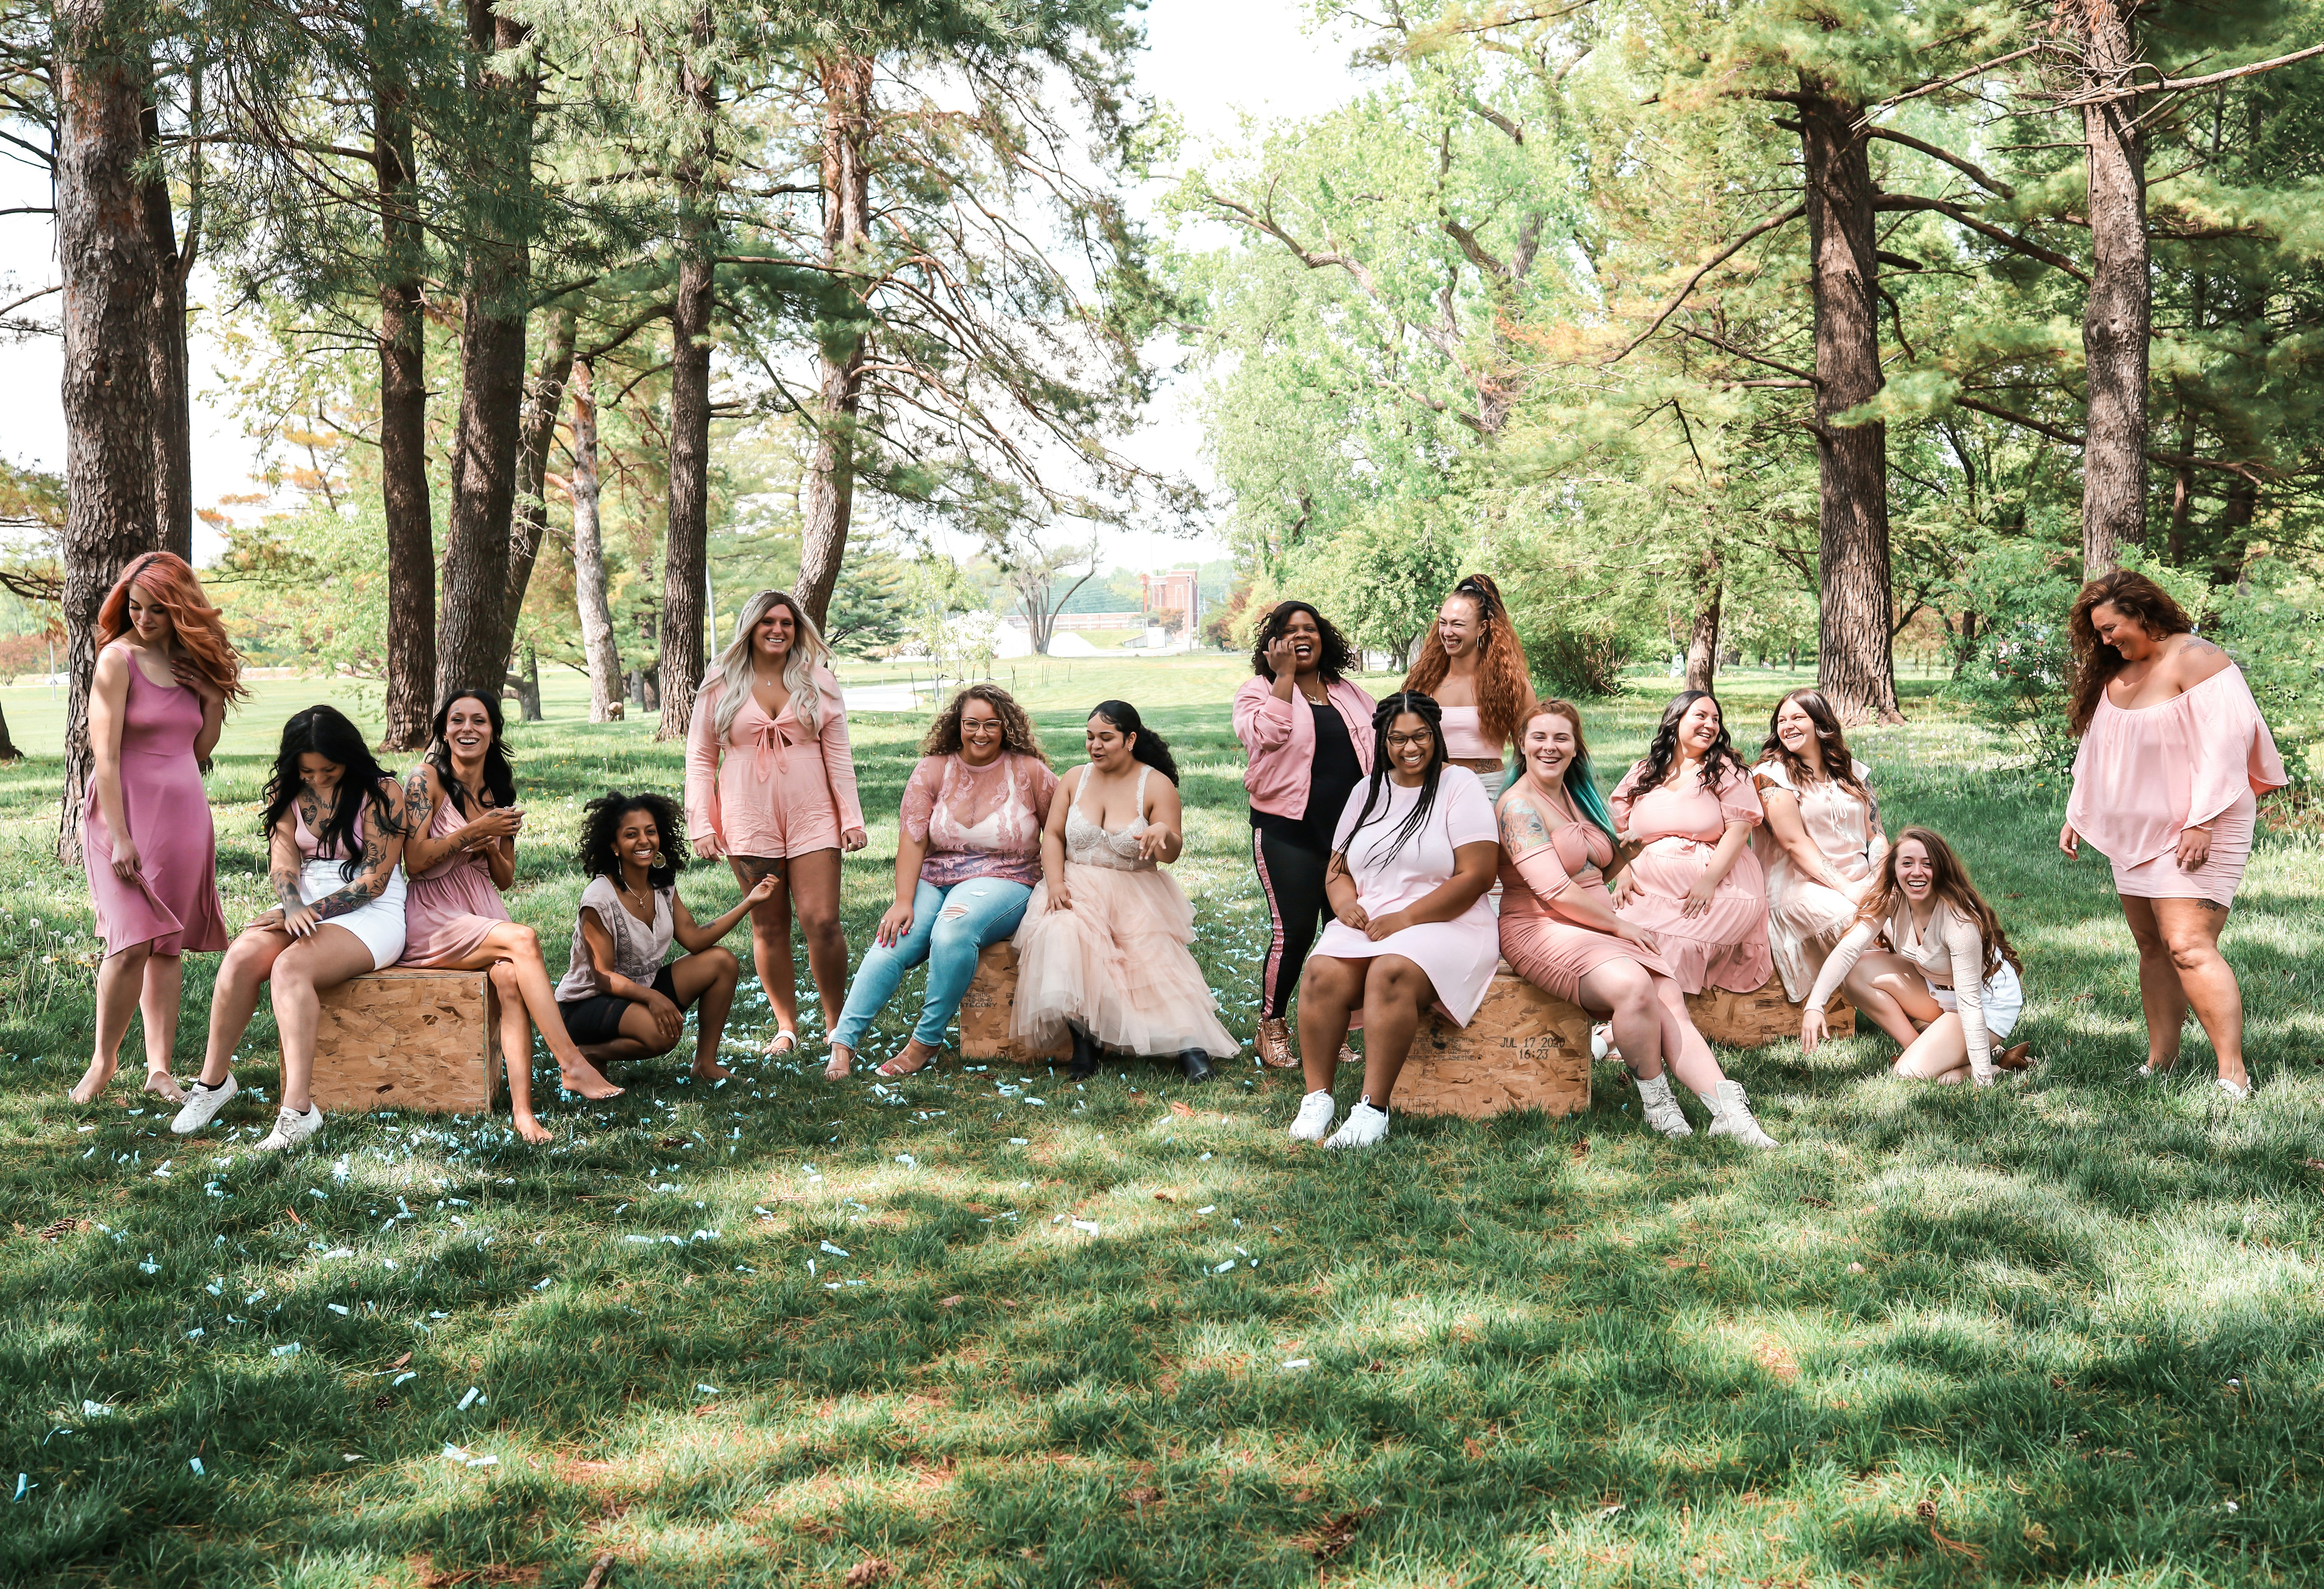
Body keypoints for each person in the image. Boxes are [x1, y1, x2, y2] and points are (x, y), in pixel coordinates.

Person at [1497, 702, 1777, 1146]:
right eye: (1539, 737)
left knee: (1669, 998)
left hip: (1593, 923)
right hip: (1541, 926)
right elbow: (1553, 890)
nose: (1549, 747)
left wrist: (1622, 857)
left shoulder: (1575, 795)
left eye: (1561, 738)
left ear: (1575, 748)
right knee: (1633, 985)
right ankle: (1657, 1103)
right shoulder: (1517, 807)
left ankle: (1729, 1111)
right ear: (1522, 745)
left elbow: (1593, 873)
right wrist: (1619, 925)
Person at [2060, 570, 2286, 1099]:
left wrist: (2201, 820)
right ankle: (2160, 1061)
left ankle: (2231, 1072)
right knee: (2150, 946)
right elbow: (2097, 751)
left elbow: (2227, 741)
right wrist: (2077, 812)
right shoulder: (2115, 675)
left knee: (2187, 945)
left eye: (2111, 627)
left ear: (2143, 613)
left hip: (2199, 826)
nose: (2105, 640)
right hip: (2133, 831)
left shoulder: (2196, 657)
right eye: (2097, 633)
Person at [168, 707, 411, 1150]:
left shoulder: (382, 792)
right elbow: (284, 858)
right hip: (304, 904)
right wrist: (292, 904)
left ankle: (299, 1111)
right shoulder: (288, 790)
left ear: (349, 757)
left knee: (290, 968)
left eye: (329, 769)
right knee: (242, 955)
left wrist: (307, 912)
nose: (317, 779)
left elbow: (374, 882)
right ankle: (213, 1082)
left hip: (372, 910)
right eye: (307, 770)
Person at [1286, 693, 1500, 1150]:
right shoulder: (1367, 789)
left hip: (1447, 918)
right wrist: (1343, 904)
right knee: (1321, 971)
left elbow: (1479, 874)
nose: (1409, 748)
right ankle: (1317, 1097)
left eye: (1420, 735)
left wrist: (1406, 918)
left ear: (1435, 734)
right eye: (1397, 738)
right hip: (1374, 918)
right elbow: (1338, 868)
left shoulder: (1458, 784)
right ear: (1382, 740)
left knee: (1391, 970)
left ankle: (1372, 1108)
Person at [400, 688, 623, 1125]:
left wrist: (491, 845)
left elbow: (504, 878)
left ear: (493, 730)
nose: (467, 729)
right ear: (444, 731)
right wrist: (471, 832)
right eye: (457, 720)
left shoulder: (498, 791)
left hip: (481, 906)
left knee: (508, 978)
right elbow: (415, 861)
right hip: (434, 913)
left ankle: (523, 1112)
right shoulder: (424, 779)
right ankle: (572, 1063)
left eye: (479, 721)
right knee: (524, 939)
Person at [72, 552, 246, 1105]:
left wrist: (213, 698)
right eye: (136, 607)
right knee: (129, 944)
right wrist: (119, 835)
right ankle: (103, 1063)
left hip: (183, 816)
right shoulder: (115, 661)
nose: (143, 619)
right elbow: (105, 758)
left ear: (180, 612)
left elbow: (197, 751)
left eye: (157, 611)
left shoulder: (188, 663)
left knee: (166, 947)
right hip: (123, 813)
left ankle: (160, 1068)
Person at [828, 685, 1059, 1080]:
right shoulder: (933, 769)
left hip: (1005, 877)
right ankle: (843, 1043)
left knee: (952, 930)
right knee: (893, 940)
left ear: (1006, 726)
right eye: (972, 724)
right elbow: (913, 839)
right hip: (934, 877)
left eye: (991, 724)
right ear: (958, 724)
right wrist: (903, 899)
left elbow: (1060, 831)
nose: (981, 733)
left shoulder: (1030, 772)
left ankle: (925, 1041)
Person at [1012, 699, 1239, 1082]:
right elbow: (1051, 835)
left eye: (1106, 738)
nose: (1095, 746)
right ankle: (1084, 1045)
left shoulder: (1154, 783)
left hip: (1135, 889)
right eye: (1089, 737)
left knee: (1152, 957)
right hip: (1076, 883)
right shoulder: (1074, 779)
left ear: (1130, 739)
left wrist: (1161, 833)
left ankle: (1190, 1046)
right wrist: (1055, 884)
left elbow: (1171, 852)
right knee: (1062, 932)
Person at [685, 589, 867, 1060]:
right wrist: (701, 822)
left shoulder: (818, 680)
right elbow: (701, 758)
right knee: (768, 925)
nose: (777, 630)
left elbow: (840, 756)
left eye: (787, 623)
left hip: (812, 810)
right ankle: (786, 1027)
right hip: (747, 813)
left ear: (797, 629)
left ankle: (837, 1026)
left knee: (823, 921)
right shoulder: (719, 681)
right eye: (768, 622)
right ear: (750, 627)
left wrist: (851, 817)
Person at [1233, 600, 1376, 1070]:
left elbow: (1379, 747)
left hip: (1350, 835)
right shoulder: (1257, 691)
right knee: (1293, 932)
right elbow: (1267, 736)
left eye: (1309, 628)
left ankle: (1332, 1026)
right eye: (1289, 630)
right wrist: (1283, 678)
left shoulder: (1350, 693)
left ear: (1323, 637)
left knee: (1341, 929)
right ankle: (1270, 1026)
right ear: (1274, 642)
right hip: (1287, 830)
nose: (1302, 635)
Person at [555, 790, 774, 1081]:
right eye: (631, 835)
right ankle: (588, 1054)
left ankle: (705, 1064)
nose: (644, 841)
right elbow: (602, 977)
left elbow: (695, 939)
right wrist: (653, 999)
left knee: (721, 962)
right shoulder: (599, 899)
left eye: (650, 832)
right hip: (588, 1003)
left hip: (639, 987)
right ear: (615, 845)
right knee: (663, 1035)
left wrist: (749, 903)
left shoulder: (661, 885)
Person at [1801, 828, 2029, 1086]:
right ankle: (1923, 1050)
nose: (1916, 872)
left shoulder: (1959, 922)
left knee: (1908, 1074)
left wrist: (1982, 1079)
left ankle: (1991, 1068)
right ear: (1894, 868)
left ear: (1941, 869)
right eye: (1907, 863)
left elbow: (1969, 1003)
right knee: (1857, 971)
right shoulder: (1894, 898)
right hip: (1938, 989)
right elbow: (1848, 949)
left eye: (1927, 864)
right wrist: (1815, 1004)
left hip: (1984, 1002)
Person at [1609, 691, 1774, 996]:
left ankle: (1616, 1036)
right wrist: (1621, 873)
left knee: (1683, 946)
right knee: (1625, 941)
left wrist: (1708, 881)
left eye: (1715, 719)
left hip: (1717, 887)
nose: (1710, 725)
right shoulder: (1643, 771)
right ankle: (1626, 1025)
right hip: (1646, 887)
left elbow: (1739, 831)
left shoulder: (1726, 771)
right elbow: (1615, 825)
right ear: (1676, 720)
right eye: (1700, 716)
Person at [1753, 689, 1888, 1003]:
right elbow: (1794, 843)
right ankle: (1930, 1026)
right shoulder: (1771, 776)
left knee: (1928, 917)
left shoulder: (1854, 772)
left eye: (1798, 718)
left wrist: (1881, 878)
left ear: (1820, 723)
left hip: (1862, 882)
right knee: (1863, 924)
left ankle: (1952, 1018)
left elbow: (1876, 834)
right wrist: (1851, 891)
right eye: (1781, 720)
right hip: (1799, 888)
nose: (1787, 726)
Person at [1400, 573, 1535, 799]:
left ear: (1482, 627)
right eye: (1443, 623)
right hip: (1434, 789)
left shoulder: (1511, 684)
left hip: (1489, 791)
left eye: (1458, 624)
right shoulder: (1423, 682)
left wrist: (1518, 795)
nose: (1447, 632)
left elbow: (1531, 747)